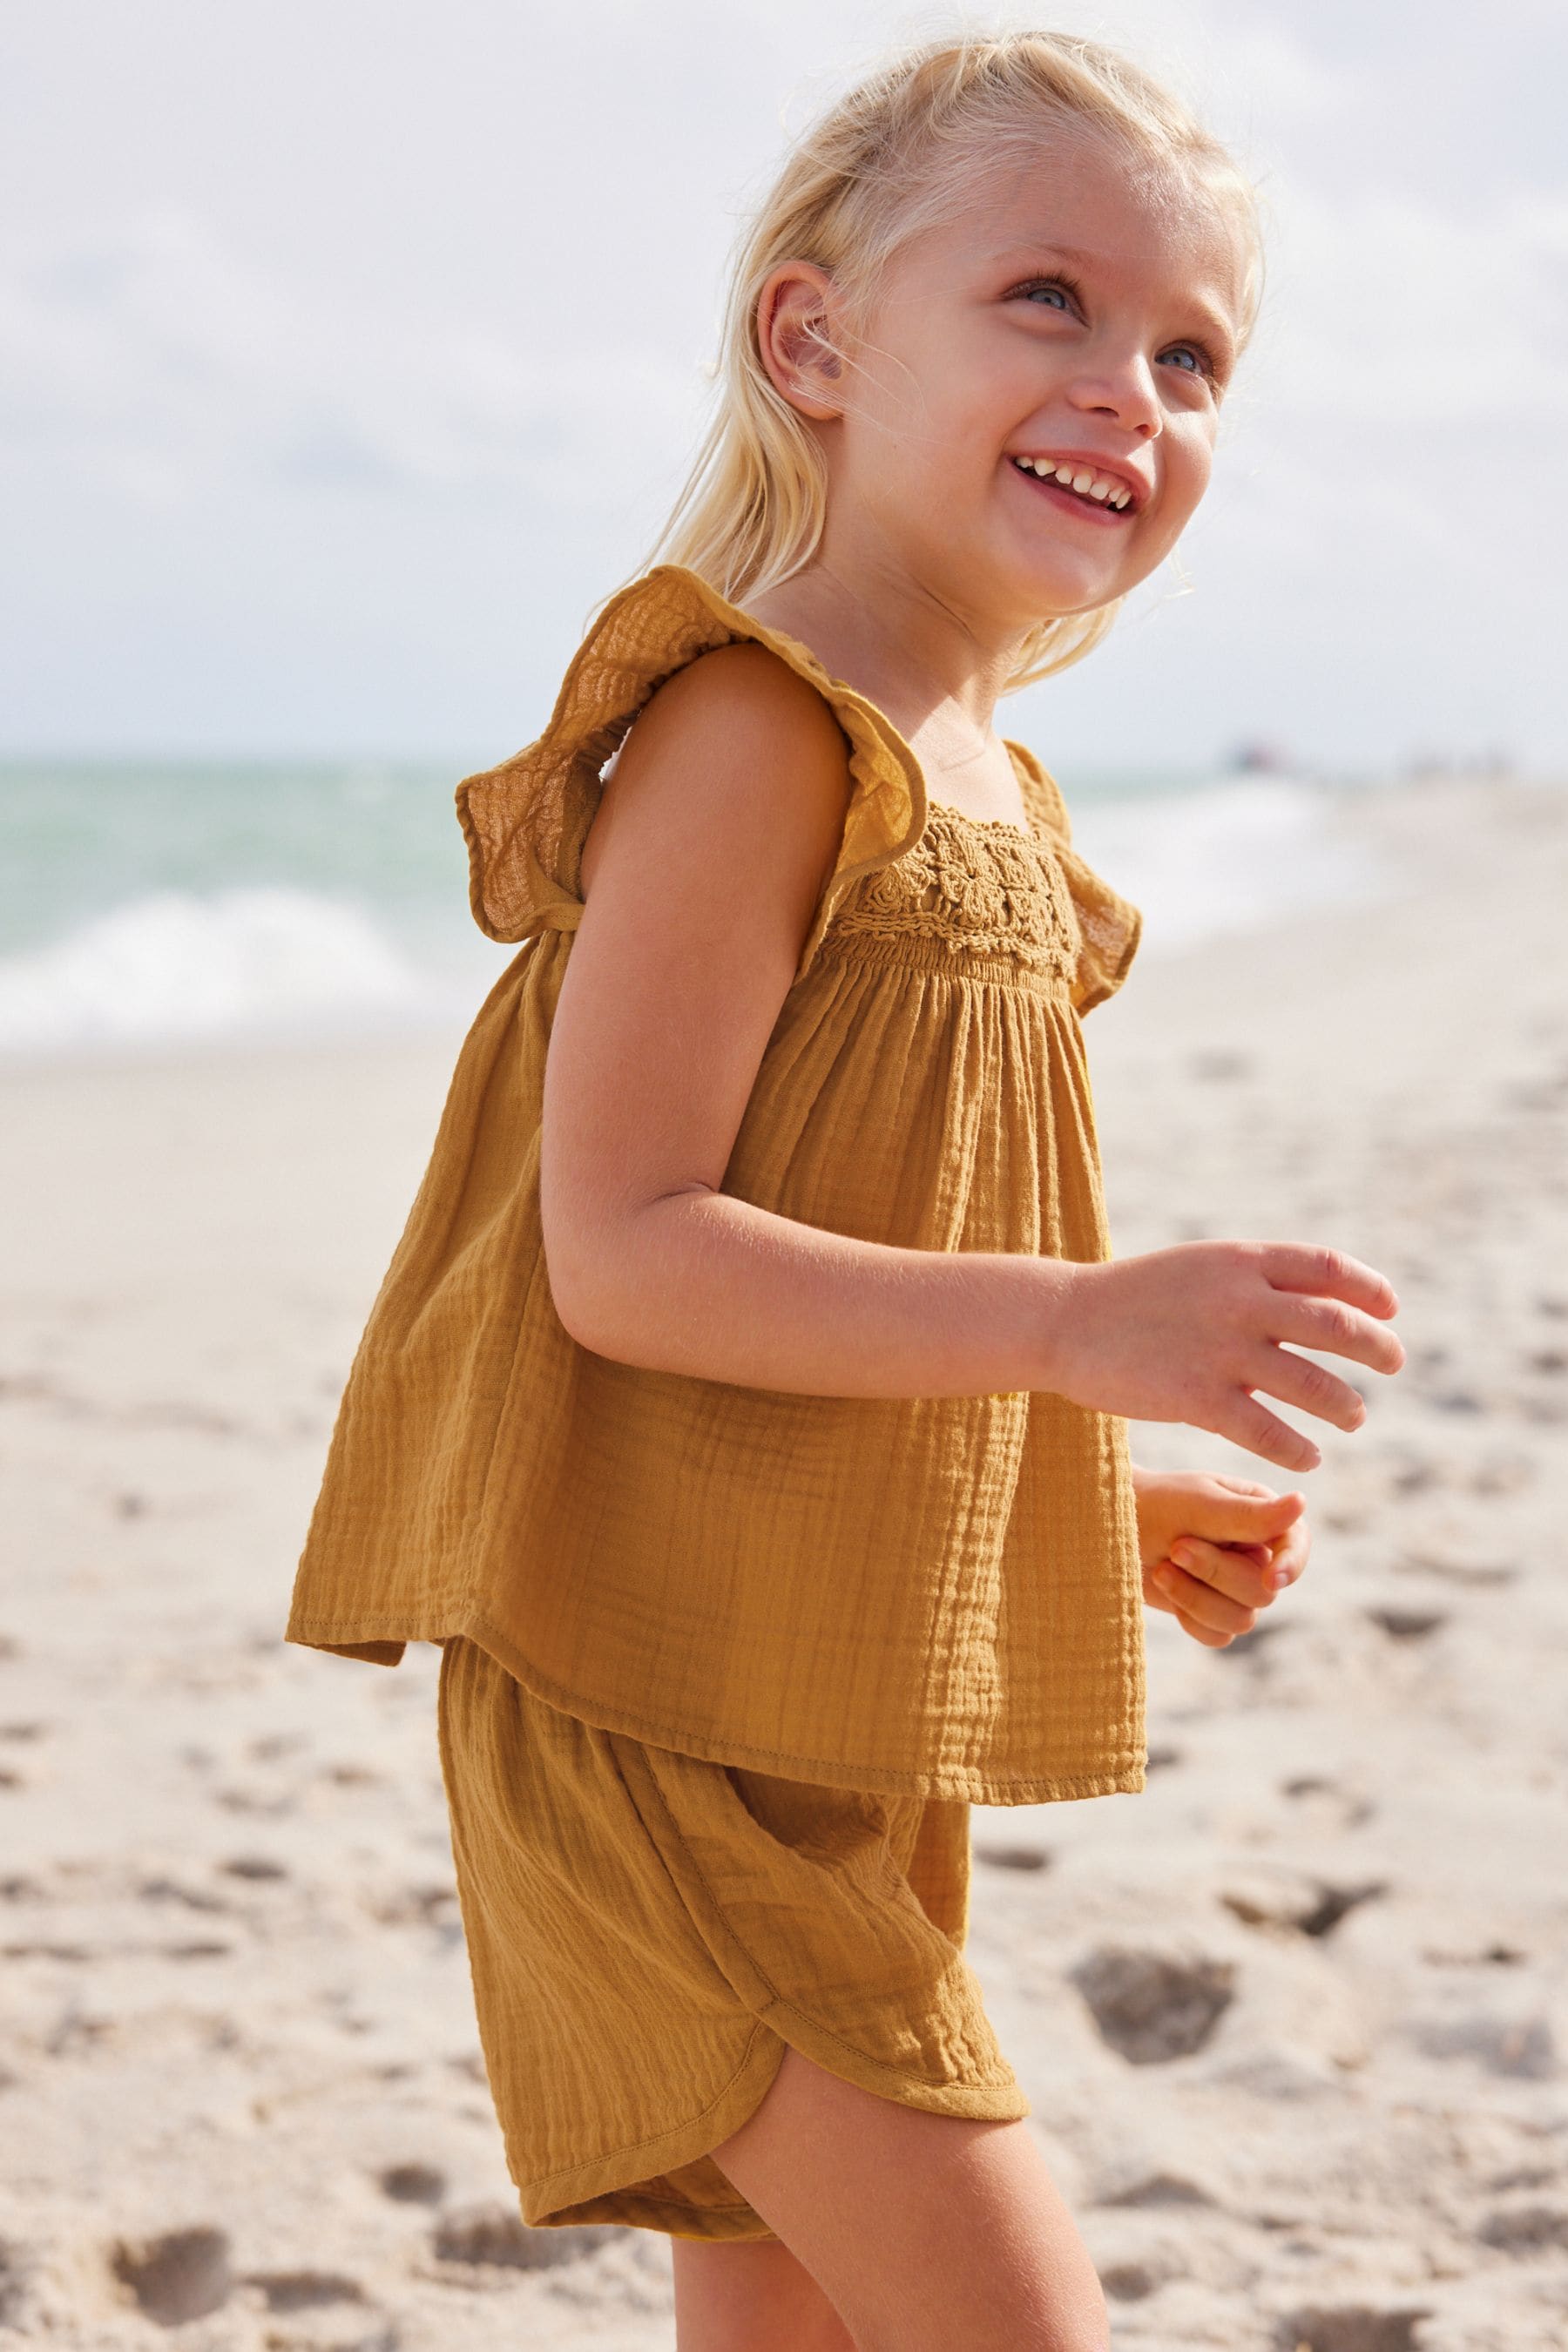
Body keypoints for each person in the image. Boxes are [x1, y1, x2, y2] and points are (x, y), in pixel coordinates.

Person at [285, 28, 1404, 2349]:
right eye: (1049, 301)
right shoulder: (752, 725)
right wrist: (1073, 1336)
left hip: (822, 1679)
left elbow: (839, 1282)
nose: (1134, 386)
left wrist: (1080, 1502)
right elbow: (624, 1255)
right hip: (645, 1706)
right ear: (815, 338)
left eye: (1193, 352)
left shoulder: (1010, 797)